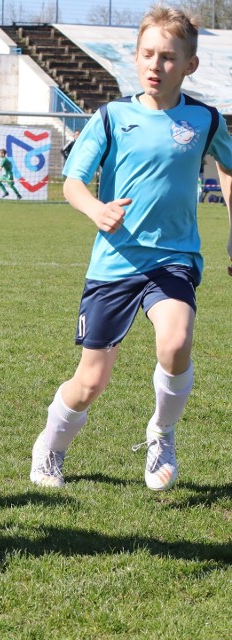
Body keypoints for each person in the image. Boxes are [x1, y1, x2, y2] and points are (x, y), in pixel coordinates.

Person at [30, 5, 232, 492]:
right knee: (91, 381)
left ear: (189, 65)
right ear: (134, 58)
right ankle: (50, 448)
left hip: (173, 257)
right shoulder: (112, 116)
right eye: (147, 54)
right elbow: (73, 181)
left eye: (167, 57)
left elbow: (229, 168)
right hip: (115, 262)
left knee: (177, 339)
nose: (155, 65)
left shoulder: (205, 119)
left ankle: (161, 434)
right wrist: (95, 210)